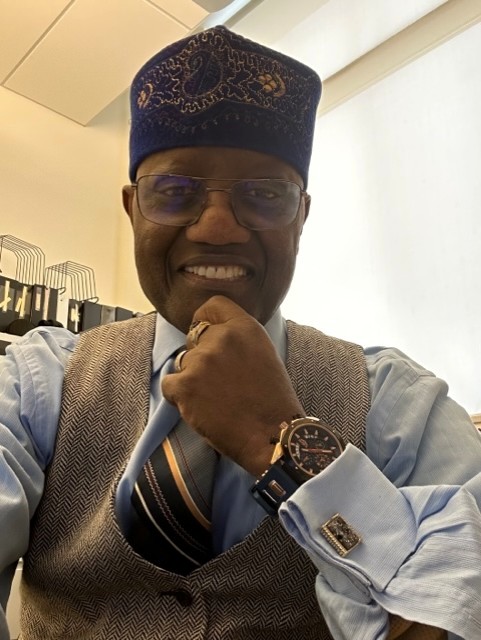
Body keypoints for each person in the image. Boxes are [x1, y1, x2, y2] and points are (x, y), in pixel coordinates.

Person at [1, 25, 481, 640]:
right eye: (174, 192)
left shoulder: (400, 403)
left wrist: (285, 443)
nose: (218, 228)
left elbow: (459, 611)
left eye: (264, 194)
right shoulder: (37, 384)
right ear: (132, 209)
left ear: (301, 216)